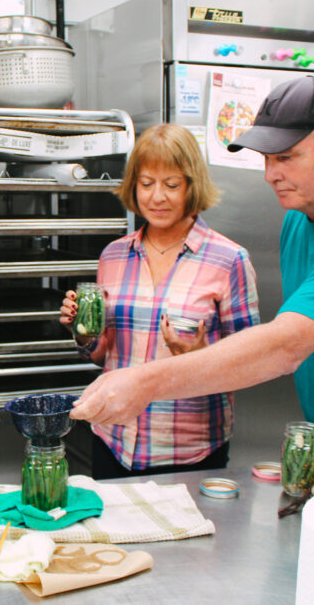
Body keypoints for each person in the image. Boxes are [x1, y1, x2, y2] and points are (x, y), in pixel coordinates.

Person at [71, 76, 314, 495]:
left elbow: (284, 346)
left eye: (286, 157)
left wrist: (144, 383)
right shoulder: (299, 219)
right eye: (267, 159)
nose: (270, 174)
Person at [59, 124, 259, 479]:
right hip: (114, 440)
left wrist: (198, 355)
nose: (157, 197)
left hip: (190, 451)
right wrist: (83, 331)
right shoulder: (114, 256)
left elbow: (253, 363)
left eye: (171, 185)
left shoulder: (229, 260)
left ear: (191, 186)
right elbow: (102, 355)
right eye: (147, 183)